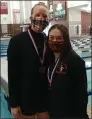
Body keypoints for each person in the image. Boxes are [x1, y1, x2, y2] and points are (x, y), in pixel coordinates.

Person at [7, 2, 50, 119]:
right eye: (38, 14)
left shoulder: (48, 41)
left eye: (45, 16)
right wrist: (14, 104)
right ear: (31, 18)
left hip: (44, 99)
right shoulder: (17, 41)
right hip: (25, 99)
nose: (41, 18)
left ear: (48, 19)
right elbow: (12, 74)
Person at [47, 24, 89, 119]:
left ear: (65, 40)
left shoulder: (75, 61)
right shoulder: (48, 58)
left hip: (69, 113)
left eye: (59, 38)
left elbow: (81, 96)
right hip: (53, 111)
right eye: (51, 38)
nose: (54, 41)